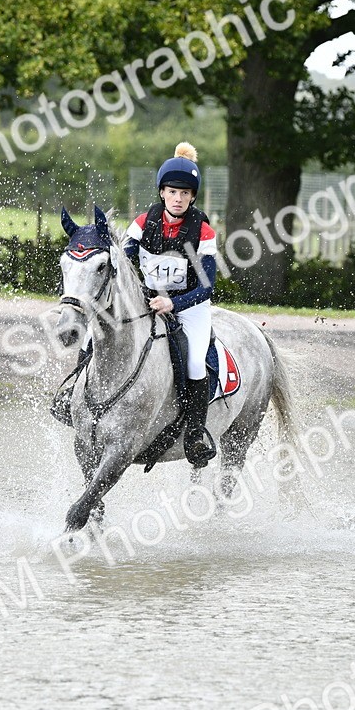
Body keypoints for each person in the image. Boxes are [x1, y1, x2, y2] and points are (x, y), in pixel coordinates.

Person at [124, 142, 218, 467]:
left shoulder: (202, 231)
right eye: (172, 191)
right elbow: (122, 264)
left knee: (194, 361)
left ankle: (194, 433)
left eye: (185, 193)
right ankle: (72, 395)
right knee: (100, 330)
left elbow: (206, 287)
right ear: (162, 192)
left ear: (193, 197)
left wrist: (174, 303)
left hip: (190, 307)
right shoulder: (142, 224)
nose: (178, 198)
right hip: (148, 302)